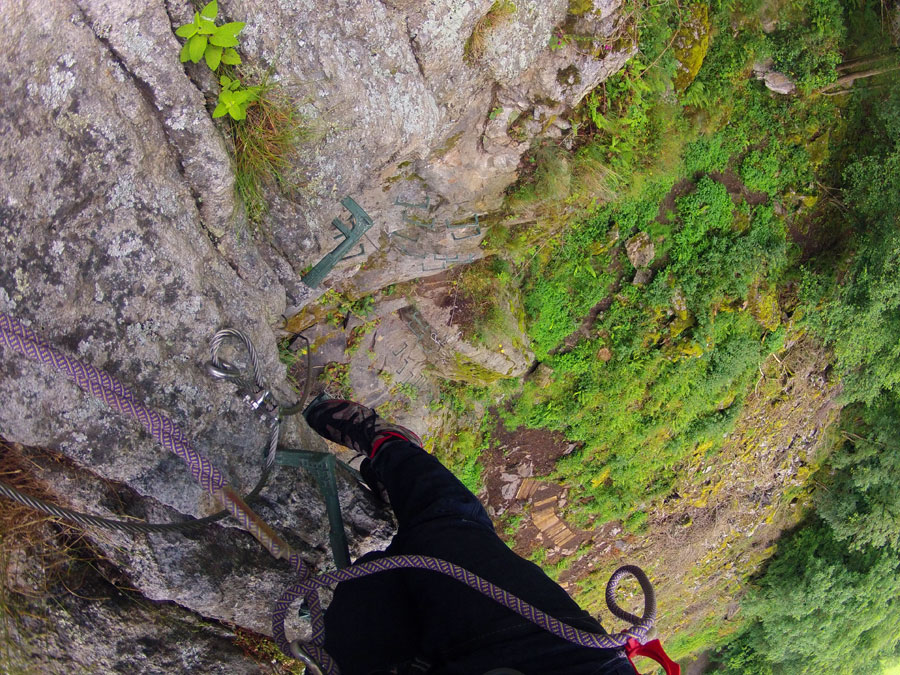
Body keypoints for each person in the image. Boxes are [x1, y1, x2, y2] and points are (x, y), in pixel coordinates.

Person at [303, 395, 637, 675]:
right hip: (553, 655)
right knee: (443, 524)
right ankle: (390, 445)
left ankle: (399, 485)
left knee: (362, 597)